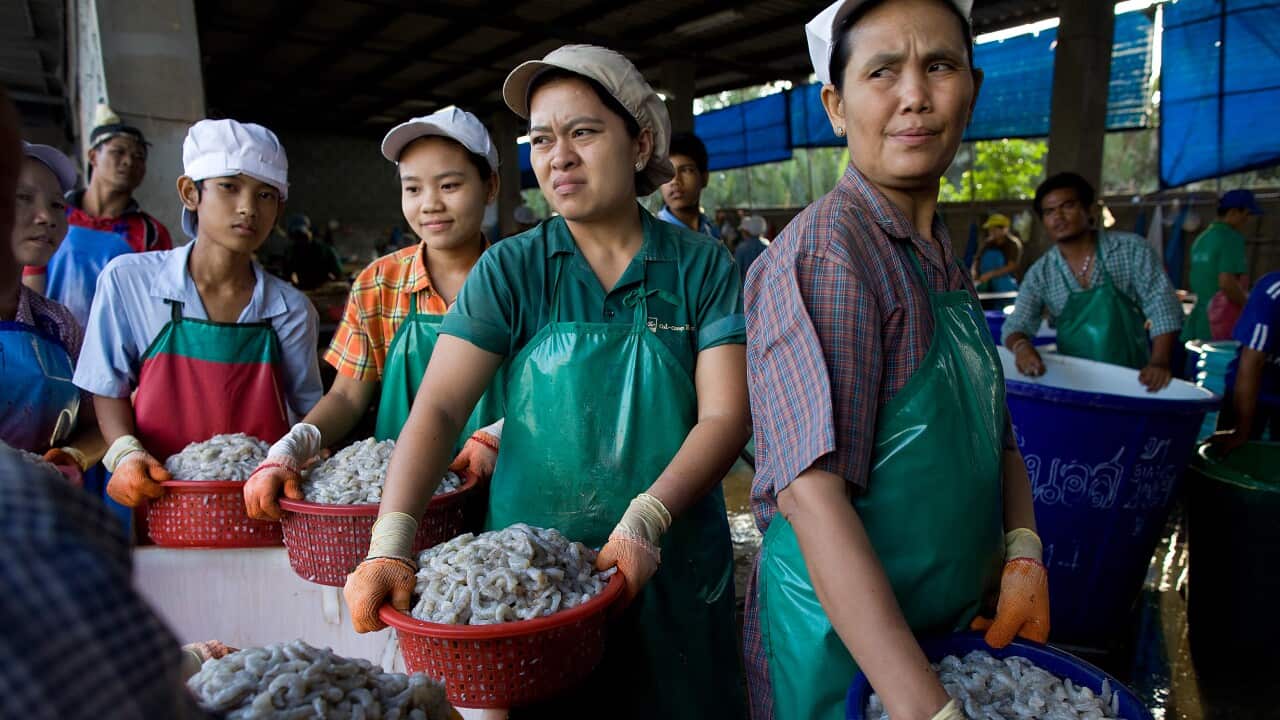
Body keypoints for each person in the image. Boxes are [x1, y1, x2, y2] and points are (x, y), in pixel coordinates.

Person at [343, 45, 749, 719]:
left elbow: (725, 417)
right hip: (533, 590)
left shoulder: (702, 267)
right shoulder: (513, 269)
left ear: (640, 139)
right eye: (540, 139)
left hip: (671, 571)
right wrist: (392, 542)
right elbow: (441, 407)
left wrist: (648, 519)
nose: (557, 157)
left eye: (582, 132)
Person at [744, 2, 1048, 719]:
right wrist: (926, 707)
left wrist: (1023, 549)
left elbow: (992, 430)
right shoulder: (831, 255)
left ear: (970, 88)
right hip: (840, 653)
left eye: (938, 66)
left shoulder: (942, 251)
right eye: (883, 71)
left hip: (941, 629)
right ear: (836, 106)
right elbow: (811, 498)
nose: (914, 94)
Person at [244, 107, 508, 521]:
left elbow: (555, 394)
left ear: (489, 186)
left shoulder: (522, 280)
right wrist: (294, 445)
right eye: (413, 189)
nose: (430, 205)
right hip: (407, 498)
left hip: (510, 489)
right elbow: (348, 397)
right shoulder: (378, 283)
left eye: (450, 185)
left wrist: (500, 433)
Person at [72, 118, 321, 519]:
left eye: (265, 195)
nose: (247, 208)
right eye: (229, 187)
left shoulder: (290, 309)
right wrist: (124, 452)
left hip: (257, 504)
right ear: (190, 192)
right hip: (156, 493)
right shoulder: (130, 281)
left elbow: (307, 412)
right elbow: (107, 386)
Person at [1002, 172, 1182, 391]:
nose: (1058, 216)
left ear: (1090, 210)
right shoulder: (1041, 273)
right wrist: (1021, 347)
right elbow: (1016, 324)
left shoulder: (1131, 250)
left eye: (1068, 206)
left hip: (1134, 380)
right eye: (1049, 211)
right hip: (1076, 384)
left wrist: (1159, 362)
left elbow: (1163, 307)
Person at [2, 140, 107, 483]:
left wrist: (70, 458)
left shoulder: (59, 325)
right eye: (23, 198)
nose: (46, 217)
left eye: (57, 205)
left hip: (36, 514)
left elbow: (99, 425)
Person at [33, 104, 173, 327]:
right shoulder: (54, 212)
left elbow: (155, 307)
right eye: (119, 152)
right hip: (50, 345)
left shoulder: (151, 233)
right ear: (93, 156)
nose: (129, 162)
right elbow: (31, 279)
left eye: (139, 157)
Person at [1209, 272, 1280, 452]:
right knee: (1234, 454)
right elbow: (1251, 363)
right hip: (1249, 393)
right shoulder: (1273, 292)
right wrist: (1241, 430)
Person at [1183, 189, 1260, 343]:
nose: (1247, 220)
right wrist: (1249, 307)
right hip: (1222, 321)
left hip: (1201, 320)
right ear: (1233, 212)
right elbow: (1227, 283)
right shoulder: (1231, 238)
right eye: (1246, 215)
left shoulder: (1202, 239)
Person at [657, 132, 720, 239]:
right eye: (666, 172)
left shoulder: (711, 230)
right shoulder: (654, 236)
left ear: (704, 178)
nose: (675, 180)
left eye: (686, 170)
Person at [285, 214, 345, 290]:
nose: (301, 241)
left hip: (321, 289)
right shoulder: (291, 251)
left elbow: (338, 273)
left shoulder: (324, 249)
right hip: (309, 289)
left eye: (301, 236)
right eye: (298, 237)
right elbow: (287, 275)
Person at [971, 213, 1021, 292]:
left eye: (994, 229)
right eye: (990, 229)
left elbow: (1011, 266)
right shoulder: (988, 243)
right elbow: (977, 259)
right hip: (985, 282)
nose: (991, 232)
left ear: (1004, 229)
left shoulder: (1013, 244)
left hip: (1005, 284)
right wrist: (974, 271)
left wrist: (990, 275)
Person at [735, 213, 769, 282]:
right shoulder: (767, 247)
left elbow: (737, 272)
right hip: (764, 288)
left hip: (746, 288)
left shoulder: (742, 248)